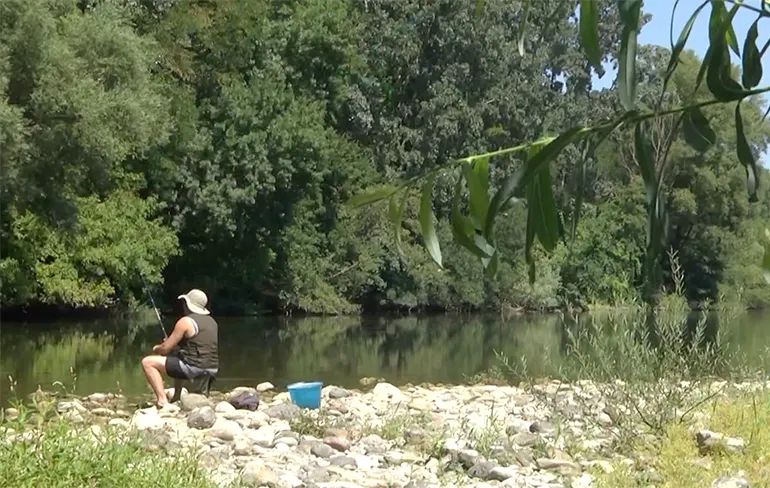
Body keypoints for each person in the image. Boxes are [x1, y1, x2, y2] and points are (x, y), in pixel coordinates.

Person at [141, 288, 219, 407]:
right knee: (177, 355)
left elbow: (165, 349)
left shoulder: (185, 321)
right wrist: (176, 347)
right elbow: (197, 346)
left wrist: (157, 348)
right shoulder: (212, 322)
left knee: (147, 362)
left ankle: (162, 400)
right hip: (212, 369)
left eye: (184, 302)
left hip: (194, 368)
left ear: (188, 305)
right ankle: (177, 397)